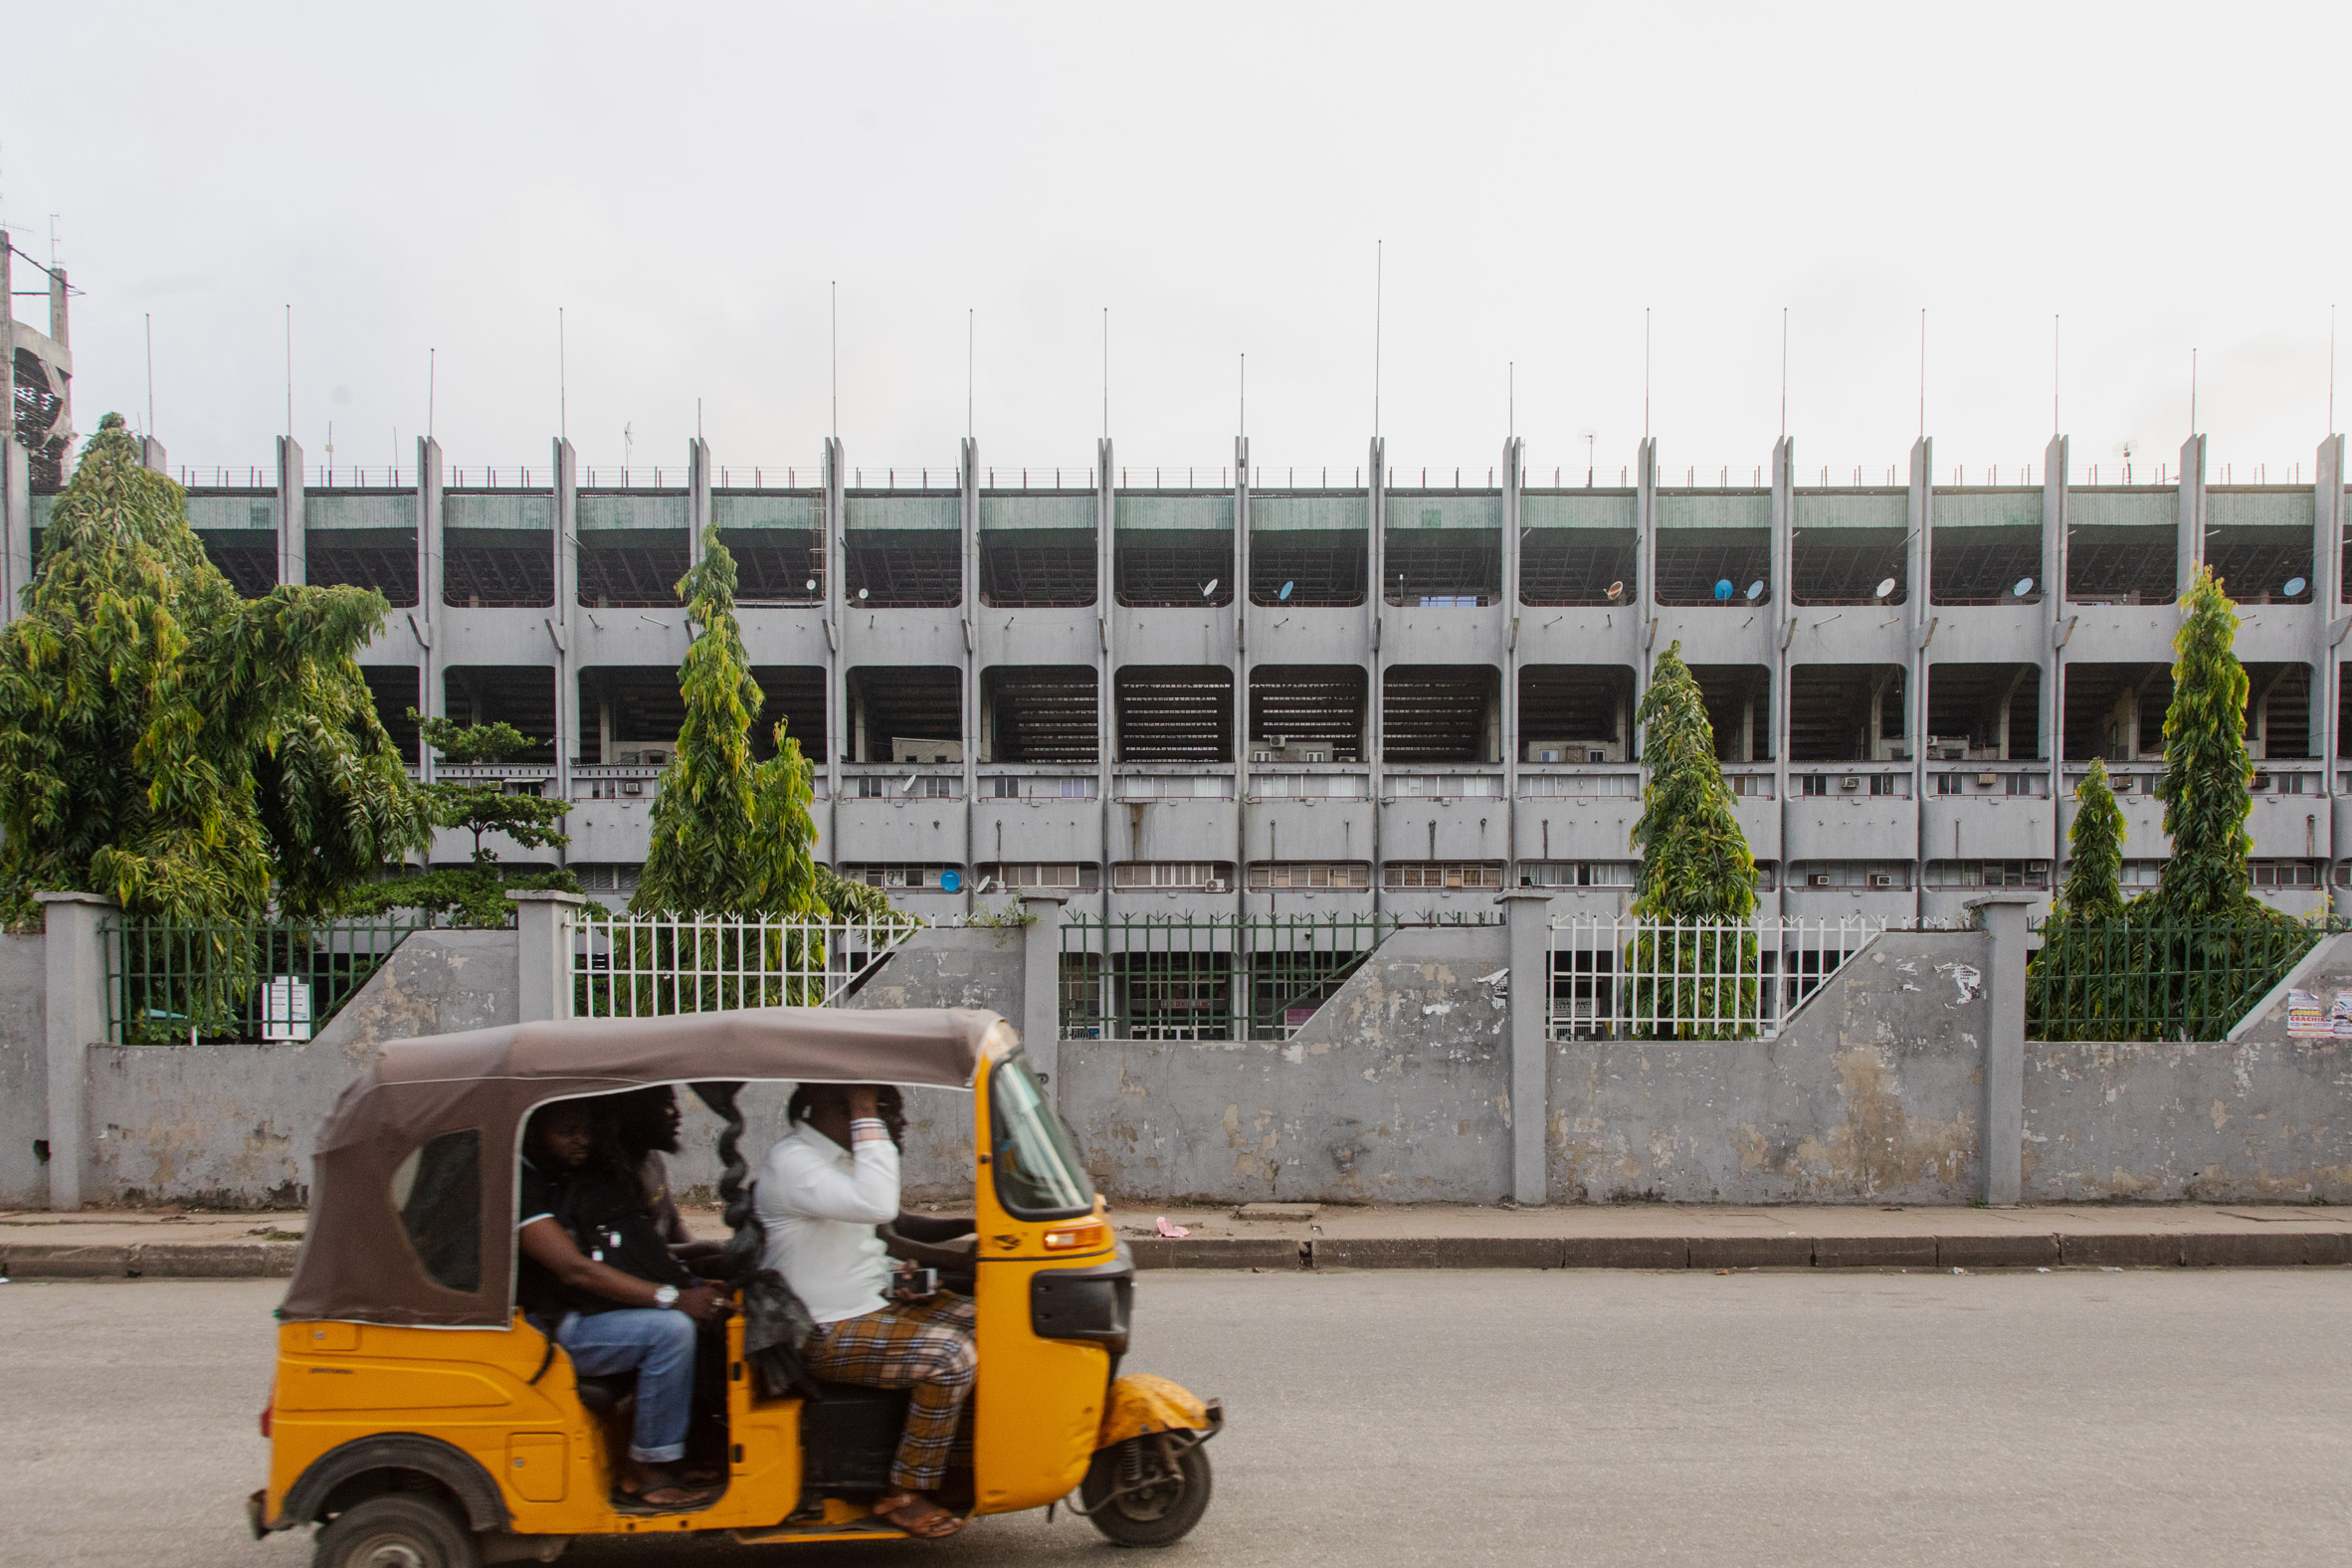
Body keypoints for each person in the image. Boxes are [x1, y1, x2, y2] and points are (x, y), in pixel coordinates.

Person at [757, 1082, 975, 1540]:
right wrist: (864, 1108)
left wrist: (897, 1277)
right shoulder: (794, 1162)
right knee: (950, 1358)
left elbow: (862, 1246)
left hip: (868, 1304)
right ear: (826, 1109)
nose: (881, 1120)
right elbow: (877, 1204)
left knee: (997, 1325)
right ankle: (904, 1491)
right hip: (821, 1328)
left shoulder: (838, 1158)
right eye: (871, 1109)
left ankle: (954, 1460)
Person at [517, 1098, 729, 1513]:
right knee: (670, 1332)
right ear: (536, 1134)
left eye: (585, 1130)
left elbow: (629, 1253)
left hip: (583, 1311)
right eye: (567, 1131)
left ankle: (682, 1450)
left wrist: (693, 1284)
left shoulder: (576, 1177)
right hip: (551, 1326)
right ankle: (644, 1471)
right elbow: (575, 1270)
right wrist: (674, 1299)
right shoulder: (525, 1185)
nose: (581, 1140)